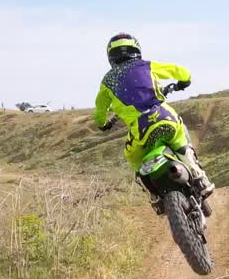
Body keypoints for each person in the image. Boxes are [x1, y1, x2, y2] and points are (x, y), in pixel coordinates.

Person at [92, 33, 215, 210]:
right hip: (166, 117)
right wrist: (184, 81)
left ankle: (154, 194)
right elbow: (179, 71)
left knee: (133, 158)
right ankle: (199, 177)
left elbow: (99, 111)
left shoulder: (107, 81)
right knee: (182, 141)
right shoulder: (147, 66)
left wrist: (103, 124)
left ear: (111, 57)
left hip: (141, 131)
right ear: (137, 50)